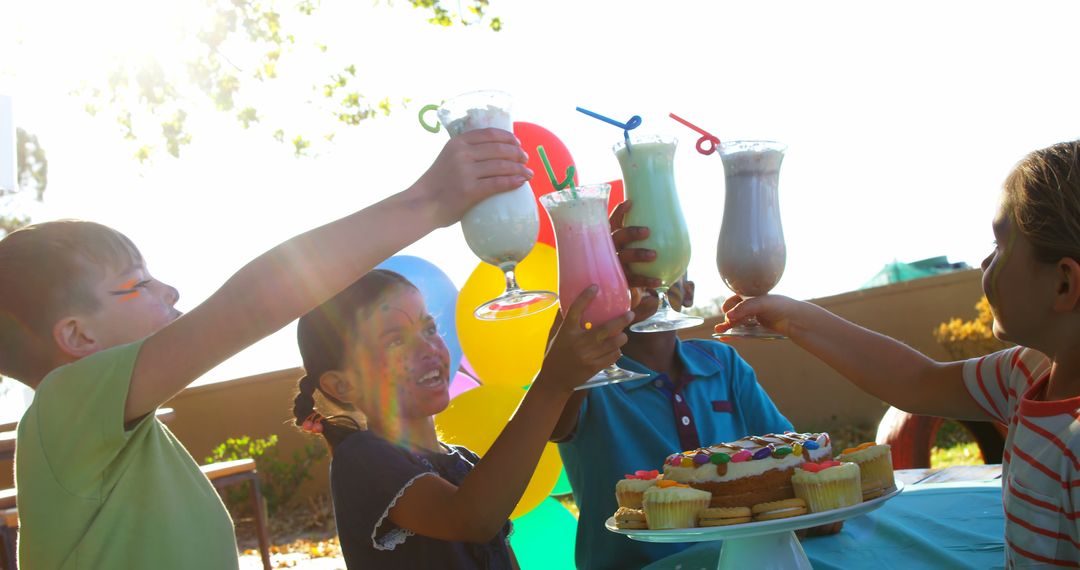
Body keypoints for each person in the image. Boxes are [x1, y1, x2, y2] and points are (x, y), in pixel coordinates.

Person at [0, 127, 533, 569]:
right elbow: (249, 304)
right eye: (138, 282)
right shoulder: (65, 403)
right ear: (77, 336)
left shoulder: (122, 441)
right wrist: (428, 202)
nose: (171, 291)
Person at [719, 139, 1080, 567]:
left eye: (1000, 246)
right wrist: (794, 318)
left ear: (1063, 284)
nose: (984, 262)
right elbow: (916, 381)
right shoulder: (1026, 372)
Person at [292, 269, 633, 569]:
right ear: (343, 385)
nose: (428, 348)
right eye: (396, 341)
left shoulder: (464, 462)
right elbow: (472, 519)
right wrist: (554, 381)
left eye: (429, 329)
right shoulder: (362, 458)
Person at [551, 200, 794, 570]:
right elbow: (551, 421)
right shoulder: (590, 377)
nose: (646, 276)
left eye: (662, 264)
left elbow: (788, 453)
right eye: (627, 270)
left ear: (690, 292)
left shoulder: (722, 363)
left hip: (742, 560)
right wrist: (585, 296)